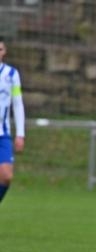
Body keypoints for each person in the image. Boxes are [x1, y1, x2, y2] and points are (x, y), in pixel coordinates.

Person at [0, 36, 26, 205]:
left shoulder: (11, 74)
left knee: (6, 176)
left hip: (3, 134)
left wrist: (20, 134)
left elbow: (17, 103)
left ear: (4, 52)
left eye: (0, 49)